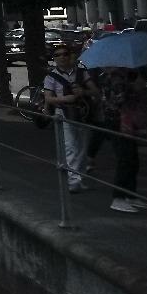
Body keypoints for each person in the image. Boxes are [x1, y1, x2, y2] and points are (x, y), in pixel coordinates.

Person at [43, 45, 95, 193]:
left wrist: (83, 91)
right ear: (54, 58)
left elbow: (96, 92)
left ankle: (79, 178)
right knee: (71, 147)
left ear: (69, 55)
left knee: (83, 148)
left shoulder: (82, 73)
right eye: (57, 55)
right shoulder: (51, 76)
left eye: (65, 54)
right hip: (63, 113)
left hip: (83, 113)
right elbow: (48, 98)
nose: (62, 57)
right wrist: (66, 98)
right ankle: (73, 181)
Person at [105, 68, 147, 213]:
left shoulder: (131, 75)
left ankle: (130, 194)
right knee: (125, 159)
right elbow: (117, 100)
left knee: (133, 159)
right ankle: (118, 197)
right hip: (118, 123)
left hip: (129, 123)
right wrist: (135, 89)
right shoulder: (116, 78)